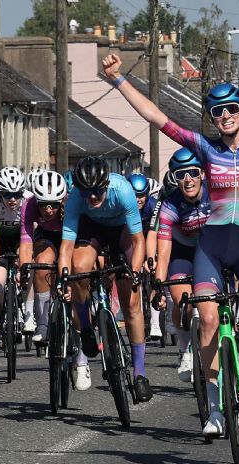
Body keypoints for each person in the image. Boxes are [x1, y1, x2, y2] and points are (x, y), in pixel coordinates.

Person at [102, 26, 239, 436]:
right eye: (217, 113)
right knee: (207, 321)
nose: (225, 117)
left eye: (231, 111)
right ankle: (216, 409)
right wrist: (118, 80)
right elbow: (156, 116)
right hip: (211, 247)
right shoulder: (205, 149)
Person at [57, 156, 150, 402]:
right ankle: (87, 328)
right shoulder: (77, 197)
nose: (93, 197)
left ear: (106, 184)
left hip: (122, 231)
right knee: (79, 267)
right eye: (88, 192)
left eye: (98, 191)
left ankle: (140, 373)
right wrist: (64, 278)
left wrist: (136, 272)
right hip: (92, 229)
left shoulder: (123, 190)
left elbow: (139, 241)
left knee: (131, 302)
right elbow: (66, 247)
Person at [153, 148, 211, 382]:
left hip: (212, 250)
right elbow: (164, 252)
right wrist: (158, 284)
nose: (187, 180)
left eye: (192, 173)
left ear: (203, 174)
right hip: (182, 254)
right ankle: (184, 350)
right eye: (180, 175)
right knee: (183, 302)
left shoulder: (216, 194)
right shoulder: (170, 205)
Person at [19, 170, 66, 350]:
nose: (48, 210)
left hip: (68, 236)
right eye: (43, 204)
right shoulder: (28, 205)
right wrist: (24, 269)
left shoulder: (70, 205)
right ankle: (43, 323)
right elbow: (25, 242)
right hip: (45, 235)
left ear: (61, 200)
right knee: (42, 264)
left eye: (53, 205)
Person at [0, 166, 31, 353]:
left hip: (23, 238)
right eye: (7, 195)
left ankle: (29, 315)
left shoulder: (29, 200)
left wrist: (27, 258)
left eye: (16, 194)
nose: (12, 199)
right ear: (0, 193)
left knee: (29, 269)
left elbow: (33, 232)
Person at [128, 172, 162, 340]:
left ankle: (155, 323)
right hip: (132, 240)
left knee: (153, 272)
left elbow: (156, 234)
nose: (138, 199)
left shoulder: (153, 205)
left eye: (141, 195)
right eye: (134, 195)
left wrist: (152, 257)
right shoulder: (124, 205)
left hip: (150, 238)